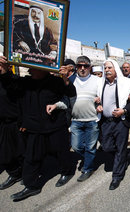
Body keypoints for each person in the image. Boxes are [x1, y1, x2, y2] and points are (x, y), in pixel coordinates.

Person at [2, 61, 76, 201]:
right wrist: (5, 71)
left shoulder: (56, 81)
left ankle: (67, 171)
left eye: (34, 68)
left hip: (55, 125)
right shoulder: (25, 82)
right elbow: (11, 90)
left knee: (61, 152)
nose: (30, 70)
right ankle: (32, 186)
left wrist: (65, 79)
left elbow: (71, 93)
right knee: (31, 157)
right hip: (34, 127)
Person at [96, 59, 130, 190]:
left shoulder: (127, 83)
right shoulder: (101, 84)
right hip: (106, 122)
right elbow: (98, 100)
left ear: (115, 69)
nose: (107, 70)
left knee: (120, 148)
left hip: (120, 122)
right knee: (106, 147)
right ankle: (124, 158)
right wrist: (98, 105)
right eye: (105, 68)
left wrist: (124, 110)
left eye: (109, 67)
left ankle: (117, 176)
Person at [68, 56, 101, 182]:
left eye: (85, 66)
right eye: (79, 66)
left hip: (92, 120)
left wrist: (99, 102)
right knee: (76, 146)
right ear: (76, 67)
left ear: (90, 67)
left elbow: (102, 96)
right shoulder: (71, 80)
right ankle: (89, 158)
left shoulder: (97, 80)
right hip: (76, 121)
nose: (82, 68)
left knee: (91, 147)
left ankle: (88, 168)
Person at [0, 56, 25, 190]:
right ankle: (15, 173)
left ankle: (20, 173)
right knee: (5, 154)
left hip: (15, 123)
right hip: (2, 124)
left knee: (20, 152)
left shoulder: (15, 81)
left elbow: (20, 101)